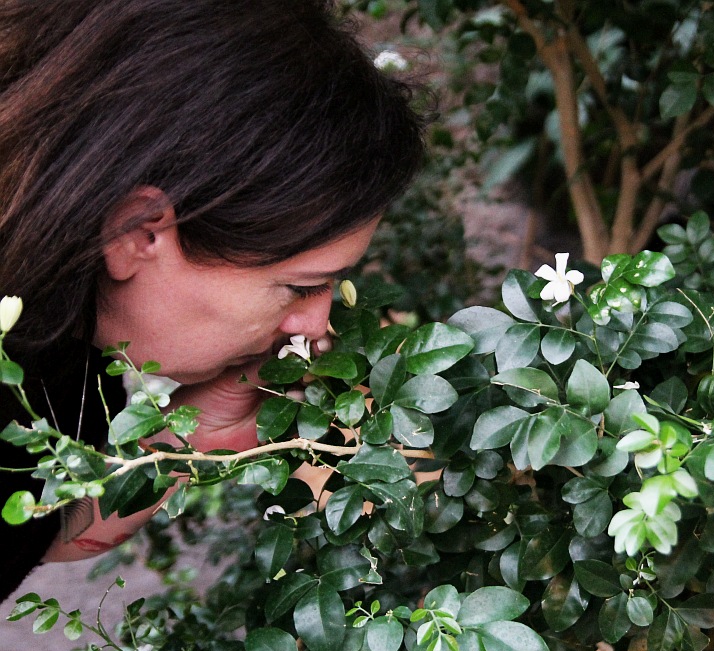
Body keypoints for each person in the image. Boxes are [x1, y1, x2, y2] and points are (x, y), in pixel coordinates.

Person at [0, 0, 426, 601]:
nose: (316, 319)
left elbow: (29, 531)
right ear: (139, 231)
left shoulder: (62, 334)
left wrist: (194, 437)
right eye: (300, 285)